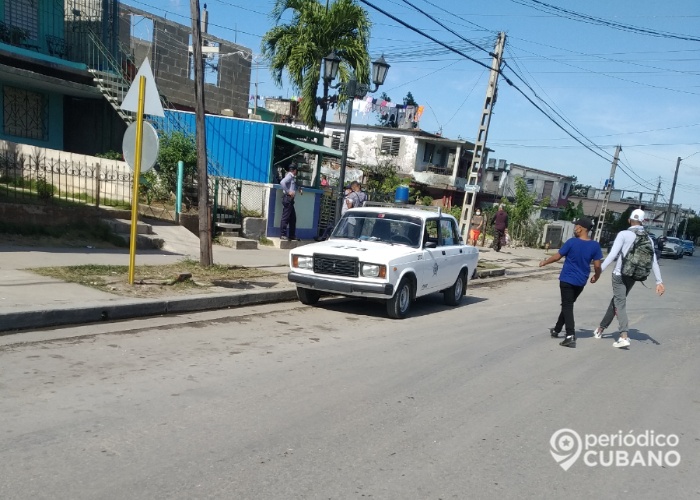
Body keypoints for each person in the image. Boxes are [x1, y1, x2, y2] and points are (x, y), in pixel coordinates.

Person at [593, 209, 665, 348]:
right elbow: (653, 261)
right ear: (643, 221)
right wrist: (659, 281)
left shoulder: (623, 234)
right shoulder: (648, 238)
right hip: (633, 275)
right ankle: (600, 329)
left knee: (620, 302)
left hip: (619, 273)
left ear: (629, 220)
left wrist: (599, 271)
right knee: (616, 301)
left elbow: (612, 255)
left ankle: (623, 336)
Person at [539, 217, 603, 348]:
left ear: (581, 228)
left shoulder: (572, 242)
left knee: (567, 306)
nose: (574, 228)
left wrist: (544, 262)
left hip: (567, 280)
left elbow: (558, 256)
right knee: (567, 304)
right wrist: (597, 276)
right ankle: (557, 330)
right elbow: (597, 266)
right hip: (580, 282)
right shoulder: (595, 246)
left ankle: (570, 336)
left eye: (576, 226)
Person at [279, 163, 301, 241]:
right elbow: (282, 182)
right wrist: (288, 192)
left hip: (290, 200)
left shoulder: (292, 177)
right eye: (296, 170)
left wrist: (298, 189)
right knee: (285, 217)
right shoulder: (289, 176)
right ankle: (283, 234)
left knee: (293, 219)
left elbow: (293, 185)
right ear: (294, 170)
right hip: (288, 199)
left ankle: (292, 235)